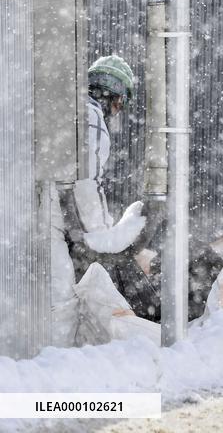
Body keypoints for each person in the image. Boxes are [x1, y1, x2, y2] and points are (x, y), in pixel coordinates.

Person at [50, 54, 150, 346]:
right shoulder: (91, 119)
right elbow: (86, 181)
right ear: (112, 96)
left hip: (39, 216)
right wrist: (100, 232)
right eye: (119, 103)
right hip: (49, 223)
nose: (117, 111)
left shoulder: (69, 108)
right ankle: (54, 371)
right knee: (61, 303)